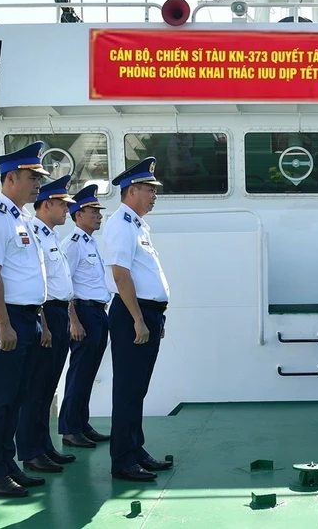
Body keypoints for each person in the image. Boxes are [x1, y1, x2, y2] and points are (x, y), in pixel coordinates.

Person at [0, 141, 51, 498]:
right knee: (0, 398)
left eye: (38, 177)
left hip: (28, 317)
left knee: (17, 396)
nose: (37, 183)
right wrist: (2, 323)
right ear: (11, 178)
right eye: (32, 177)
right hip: (9, 319)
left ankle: (7, 465)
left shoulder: (22, 218)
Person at [102, 157, 174, 481]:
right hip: (133, 315)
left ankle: (135, 449)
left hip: (146, 314)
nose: (154, 195)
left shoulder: (138, 225)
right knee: (128, 389)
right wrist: (138, 320)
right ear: (131, 191)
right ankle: (123, 460)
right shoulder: (120, 224)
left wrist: (154, 316)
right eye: (149, 189)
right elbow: (121, 275)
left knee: (138, 389)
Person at [15, 175, 78, 474]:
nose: (67, 210)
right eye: (62, 205)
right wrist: (45, 324)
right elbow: (38, 283)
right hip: (46, 314)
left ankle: (44, 446)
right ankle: (30, 451)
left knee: (49, 386)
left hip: (59, 313)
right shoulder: (37, 235)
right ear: (46, 204)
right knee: (36, 389)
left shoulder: (51, 236)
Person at [60, 183, 113, 448]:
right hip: (83, 313)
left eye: (98, 211)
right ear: (78, 214)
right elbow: (64, 285)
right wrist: (73, 320)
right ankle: (70, 429)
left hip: (97, 313)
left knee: (89, 372)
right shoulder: (72, 244)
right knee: (79, 371)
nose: (99, 215)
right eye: (93, 210)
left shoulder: (90, 242)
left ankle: (81, 423)